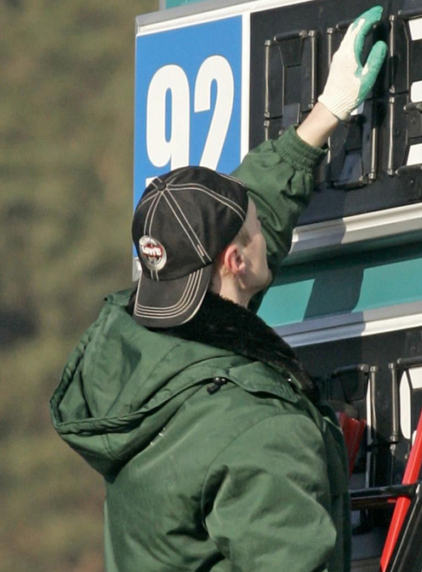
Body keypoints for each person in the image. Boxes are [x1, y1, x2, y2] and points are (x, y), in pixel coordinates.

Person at [49, 7, 387, 572]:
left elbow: (250, 211)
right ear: (235, 261)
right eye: (253, 233)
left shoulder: (140, 357)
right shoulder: (260, 431)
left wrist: (325, 114)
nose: (263, 233)